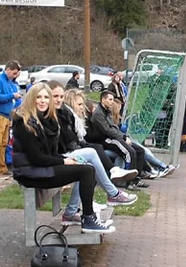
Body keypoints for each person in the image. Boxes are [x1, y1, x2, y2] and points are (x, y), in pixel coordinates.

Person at [11, 84, 114, 233]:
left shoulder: (47, 120)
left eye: (46, 97)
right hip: (30, 173)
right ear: (31, 99)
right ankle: (88, 218)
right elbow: (37, 158)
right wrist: (63, 161)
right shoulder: (25, 123)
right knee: (86, 171)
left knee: (85, 167)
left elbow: (50, 153)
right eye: (38, 97)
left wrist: (67, 160)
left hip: (42, 168)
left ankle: (84, 216)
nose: (43, 101)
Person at [52, 84, 138, 204]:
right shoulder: (63, 116)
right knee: (92, 157)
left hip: (66, 153)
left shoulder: (68, 115)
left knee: (92, 160)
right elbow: (69, 141)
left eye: (61, 96)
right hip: (59, 158)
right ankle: (112, 191)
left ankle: (78, 209)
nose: (83, 108)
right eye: (80, 104)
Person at [0, 61, 23, 179]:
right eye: (14, 73)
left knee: (3, 144)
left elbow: (15, 101)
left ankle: (3, 167)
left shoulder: (10, 83)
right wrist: (12, 95)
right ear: (7, 70)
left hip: (7, 116)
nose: (15, 75)